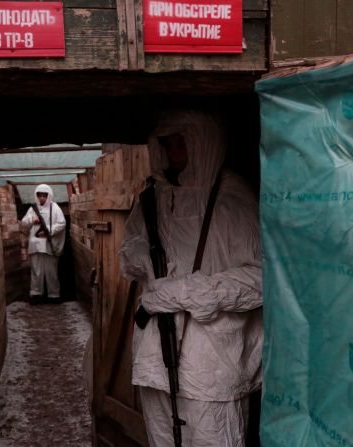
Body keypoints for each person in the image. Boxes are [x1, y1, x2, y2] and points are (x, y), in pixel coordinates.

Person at [119, 111, 263, 446]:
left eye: (181, 146)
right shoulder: (152, 199)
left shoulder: (233, 200)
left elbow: (262, 280)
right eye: (168, 147)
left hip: (212, 364)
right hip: (157, 356)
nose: (173, 156)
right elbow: (129, 253)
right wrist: (146, 260)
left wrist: (185, 291)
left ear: (203, 145)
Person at [21, 184, 66, 304]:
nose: (42, 198)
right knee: (36, 271)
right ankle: (36, 294)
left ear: (48, 195)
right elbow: (24, 223)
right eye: (39, 195)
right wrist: (32, 220)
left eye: (44, 195)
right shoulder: (33, 209)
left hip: (49, 245)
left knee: (51, 271)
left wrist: (49, 232)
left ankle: (54, 295)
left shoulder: (55, 207)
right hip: (36, 245)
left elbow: (61, 223)